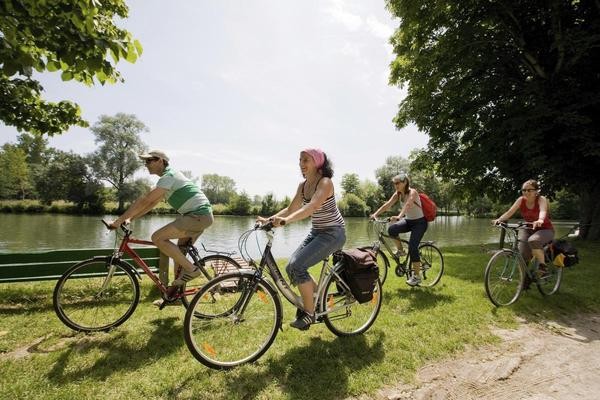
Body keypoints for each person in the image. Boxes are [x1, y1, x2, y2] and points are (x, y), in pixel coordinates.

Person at [257, 148, 346, 331]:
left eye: (306, 160)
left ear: (318, 163)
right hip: (317, 231)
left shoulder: (325, 183)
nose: (301, 164)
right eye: (300, 160)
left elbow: (312, 206)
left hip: (333, 233)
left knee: (298, 266)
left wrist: (286, 222)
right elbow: (291, 209)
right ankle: (318, 300)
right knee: (291, 266)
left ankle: (309, 313)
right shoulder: (303, 186)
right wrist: (269, 220)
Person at [109, 150, 214, 299]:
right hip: (198, 217)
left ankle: (192, 270)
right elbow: (151, 204)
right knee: (179, 259)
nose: (146, 164)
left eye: (149, 161)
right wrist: (130, 219)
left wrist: (118, 221)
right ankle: (177, 297)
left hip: (197, 216)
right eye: (145, 162)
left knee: (157, 238)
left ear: (160, 161)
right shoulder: (166, 181)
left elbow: (145, 199)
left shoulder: (169, 176)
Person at [370, 172, 428, 286]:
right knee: (392, 229)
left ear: (405, 182)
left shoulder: (413, 192)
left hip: (420, 223)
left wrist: (399, 216)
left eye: (398, 183)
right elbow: (387, 205)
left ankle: (417, 276)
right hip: (409, 221)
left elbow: (408, 205)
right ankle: (401, 251)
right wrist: (375, 214)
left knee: (412, 246)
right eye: (394, 183)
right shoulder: (397, 194)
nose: (395, 185)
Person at [492, 179, 554, 277]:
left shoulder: (541, 199)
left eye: (529, 190)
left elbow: (543, 211)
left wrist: (540, 220)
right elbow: (509, 212)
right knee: (523, 255)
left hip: (545, 229)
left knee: (534, 240)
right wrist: (499, 219)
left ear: (536, 191)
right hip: (528, 228)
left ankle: (543, 267)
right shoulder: (521, 200)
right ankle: (525, 280)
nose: (526, 192)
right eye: (524, 190)